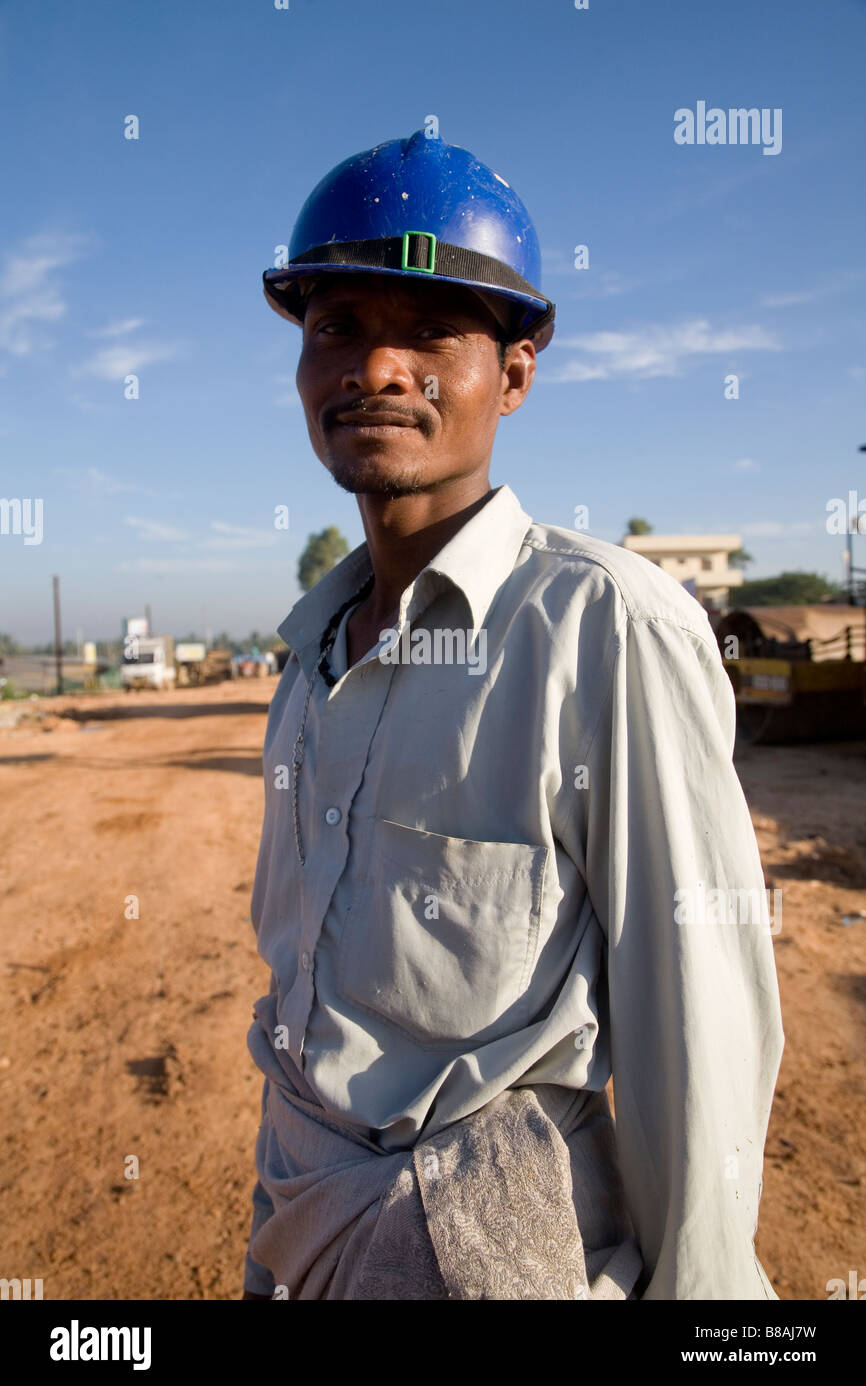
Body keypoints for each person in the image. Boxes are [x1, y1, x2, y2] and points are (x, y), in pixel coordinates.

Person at [242, 129, 784, 1300]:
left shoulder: (602, 629)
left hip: (489, 1250)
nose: (376, 368)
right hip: (301, 1228)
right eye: (336, 325)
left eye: (429, 331)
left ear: (516, 372)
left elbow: (698, 1029)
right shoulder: (307, 660)